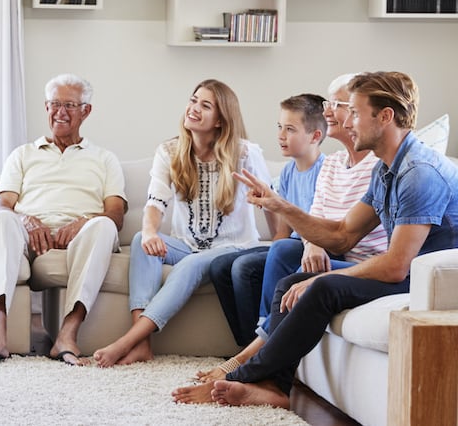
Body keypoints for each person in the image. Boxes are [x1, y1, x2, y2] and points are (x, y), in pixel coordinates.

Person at [173, 70, 458, 408]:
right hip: (405, 273)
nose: (346, 121)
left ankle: (242, 375)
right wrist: (282, 207)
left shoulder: (419, 173)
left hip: (428, 282)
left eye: (354, 112)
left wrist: (324, 277)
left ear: (385, 117)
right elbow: (343, 235)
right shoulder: (386, 169)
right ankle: (276, 386)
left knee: (321, 287)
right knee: (291, 282)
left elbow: (396, 266)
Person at [196, 73, 388, 382]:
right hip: (327, 250)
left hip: (357, 261)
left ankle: (255, 355)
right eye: (328, 103)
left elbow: (344, 235)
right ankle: (256, 349)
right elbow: (315, 220)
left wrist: (308, 236)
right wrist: (310, 239)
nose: (327, 111)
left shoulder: (379, 168)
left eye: (338, 105)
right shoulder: (335, 164)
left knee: (275, 256)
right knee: (259, 257)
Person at [92, 79, 274, 368]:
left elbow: (271, 201)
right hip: (188, 246)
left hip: (235, 248)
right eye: (193, 100)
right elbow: (155, 202)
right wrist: (150, 231)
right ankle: (143, 345)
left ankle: (127, 341)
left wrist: (277, 242)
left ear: (220, 120)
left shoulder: (245, 153)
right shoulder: (170, 152)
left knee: (191, 264)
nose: (194, 109)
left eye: (205, 105)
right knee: (141, 240)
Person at [0, 73, 127, 366]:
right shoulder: (22, 154)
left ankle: (67, 335)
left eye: (70, 105)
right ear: (46, 107)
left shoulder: (104, 159)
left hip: (82, 235)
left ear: (86, 111)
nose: (60, 112)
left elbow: (116, 213)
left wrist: (83, 221)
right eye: (54, 104)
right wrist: (27, 220)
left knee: (104, 226)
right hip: (29, 231)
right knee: (2, 220)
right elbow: (3, 204)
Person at [209, 93, 327, 347]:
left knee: (244, 267)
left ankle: (265, 342)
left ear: (315, 136)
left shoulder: (326, 171)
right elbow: (281, 234)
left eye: (290, 129)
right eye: (279, 127)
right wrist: (265, 204)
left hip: (312, 248)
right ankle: (247, 344)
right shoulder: (287, 173)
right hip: (290, 247)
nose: (281, 135)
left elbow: (322, 228)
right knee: (219, 267)